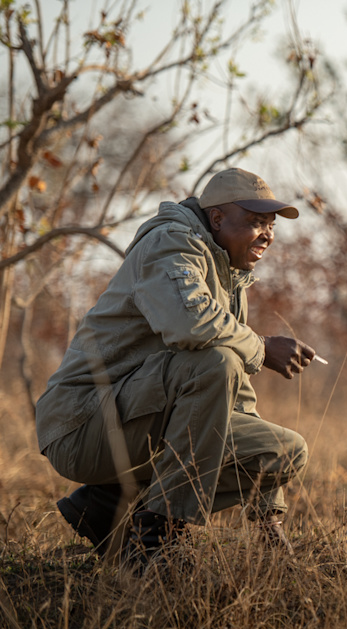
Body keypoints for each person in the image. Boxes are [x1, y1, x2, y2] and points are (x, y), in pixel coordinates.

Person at [36, 167, 318, 566]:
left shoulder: (229, 274)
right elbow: (191, 325)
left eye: (271, 225)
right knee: (215, 360)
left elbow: (232, 399)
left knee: (286, 451)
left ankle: (107, 504)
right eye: (255, 222)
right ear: (217, 218)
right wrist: (262, 346)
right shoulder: (171, 243)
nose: (267, 234)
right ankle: (156, 541)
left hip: (134, 420)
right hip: (82, 425)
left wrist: (269, 520)